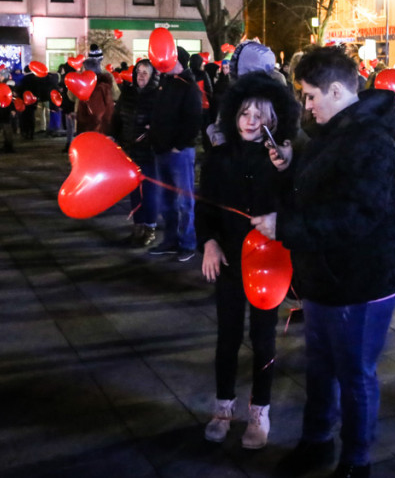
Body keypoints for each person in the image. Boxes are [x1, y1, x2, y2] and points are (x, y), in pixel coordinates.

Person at [253, 47, 395, 478]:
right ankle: (317, 442)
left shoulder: (371, 142)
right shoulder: (335, 129)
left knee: (355, 374)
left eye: (309, 96)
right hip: (325, 276)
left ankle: (355, 460)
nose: (305, 105)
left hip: (363, 279)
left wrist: (285, 226)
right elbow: (319, 186)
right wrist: (290, 166)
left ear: (338, 90)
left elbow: (357, 216)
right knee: (321, 366)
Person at [198, 72, 299, 450]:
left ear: (274, 119)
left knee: (263, 338)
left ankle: (260, 410)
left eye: (260, 114)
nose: (251, 121)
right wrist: (208, 242)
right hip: (227, 259)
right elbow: (204, 206)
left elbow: (296, 203)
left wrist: (287, 169)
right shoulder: (218, 158)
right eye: (244, 113)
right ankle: (223, 406)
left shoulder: (281, 158)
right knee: (226, 336)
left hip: (268, 261)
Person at [148, 47, 201, 262]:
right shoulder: (166, 82)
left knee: (184, 200)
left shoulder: (189, 86)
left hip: (179, 152)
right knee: (166, 200)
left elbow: (194, 119)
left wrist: (179, 145)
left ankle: (187, 242)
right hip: (162, 150)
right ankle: (170, 239)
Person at [113, 59, 160, 246]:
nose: (141, 75)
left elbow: (162, 123)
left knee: (150, 191)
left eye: (145, 72)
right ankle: (138, 226)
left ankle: (150, 227)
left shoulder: (157, 96)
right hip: (129, 150)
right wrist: (115, 137)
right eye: (139, 71)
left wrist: (153, 131)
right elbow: (117, 118)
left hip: (149, 153)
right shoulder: (128, 94)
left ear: (152, 76)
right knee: (133, 191)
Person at [75, 45, 114, 135]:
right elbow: (116, 95)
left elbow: (71, 96)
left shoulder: (80, 76)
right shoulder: (107, 76)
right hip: (101, 121)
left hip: (83, 116)